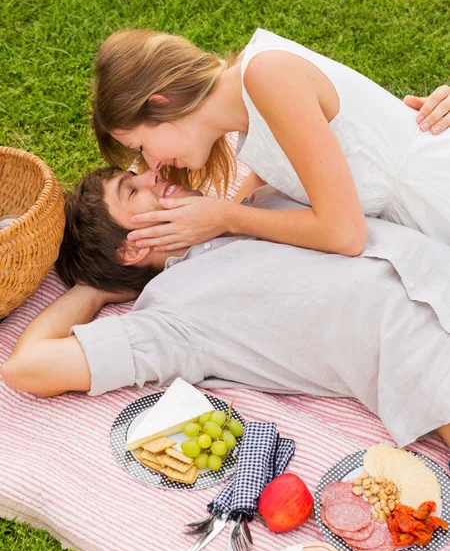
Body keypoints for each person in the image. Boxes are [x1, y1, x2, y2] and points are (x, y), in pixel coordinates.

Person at [2, 168, 450, 450]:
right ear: (132, 249)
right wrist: (94, 290)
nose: (152, 174)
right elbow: (27, 367)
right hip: (426, 360)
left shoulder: (248, 205)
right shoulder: (171, 318)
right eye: (133, 190)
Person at [93, 28, 450, 256]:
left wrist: (228, 218)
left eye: (141, 147)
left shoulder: (266, 77)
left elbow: (345, 234)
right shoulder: (249, 112)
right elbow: (260, 196)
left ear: (161, 103)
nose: (152, 164)